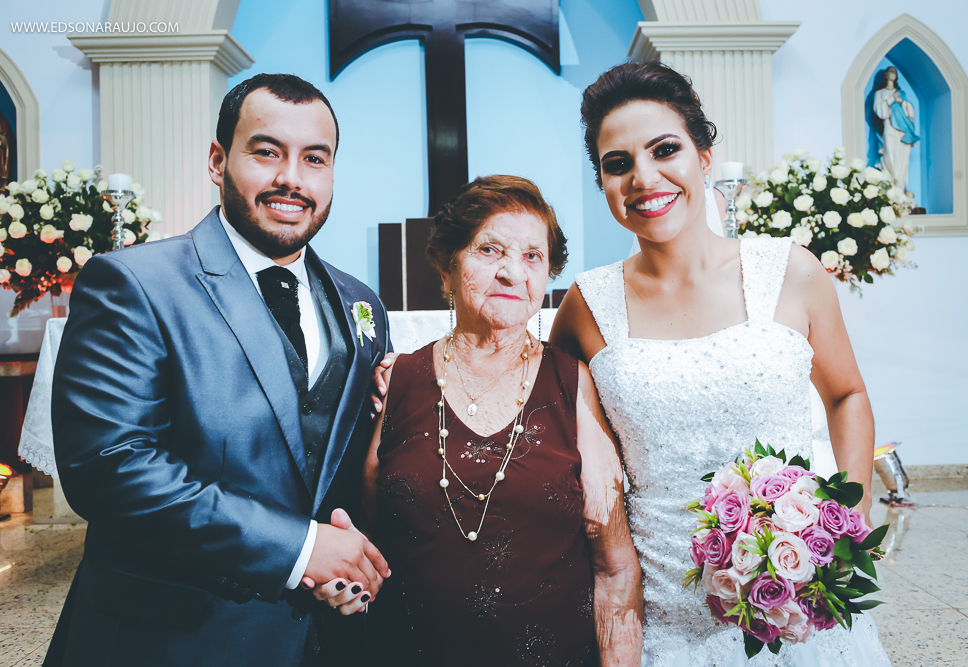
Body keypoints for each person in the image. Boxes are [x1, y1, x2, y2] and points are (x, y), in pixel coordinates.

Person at [549, 62, 892, 666]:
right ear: (602, 181)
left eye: (665, 150)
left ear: (705, 156)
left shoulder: (791, 271)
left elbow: (846, 395)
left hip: (790, 600)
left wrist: (848, 511)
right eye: (618, 163)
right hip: (661, 612)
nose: (644, 177)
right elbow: (542, 410)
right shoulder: (588, 303)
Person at [46, 73, 391, 666]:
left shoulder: (362, 304)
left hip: (322, 637)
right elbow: (110, 467)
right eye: (266, 151)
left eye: (315, 158)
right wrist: (301, 549)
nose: (291, 178)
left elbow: (335, 465)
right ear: (217, 160)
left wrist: (344, 551)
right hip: (175, 637)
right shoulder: (135, 284)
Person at [329, 175, 643, 665]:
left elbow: (615, 570)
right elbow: (369, 530)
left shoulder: (571, 383)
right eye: (490, 250)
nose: (513, 272)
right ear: (448, 268)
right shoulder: (399, 379)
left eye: (532, 257)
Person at [871, 66, 918, 194]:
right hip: (889, 127)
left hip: (902, 131)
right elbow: (880, 111)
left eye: (894, 72)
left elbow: (909, 112)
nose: (893, 73)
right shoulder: (879, 93)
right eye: (890, 71)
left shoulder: (901, 93)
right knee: (889, 154)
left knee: (902, 159)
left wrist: (901, 101)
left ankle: (901, 190)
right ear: (885, 75)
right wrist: (892, 99)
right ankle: (892, 189)